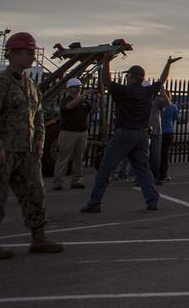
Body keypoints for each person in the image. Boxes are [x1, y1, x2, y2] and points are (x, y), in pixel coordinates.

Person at [82, 55, 179, 214]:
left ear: (131, 77)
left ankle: (95, 202)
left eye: (127, 75)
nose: (126, 77)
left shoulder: (124, 91)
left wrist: (106, 62)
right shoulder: (148, 92)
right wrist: (168, 64)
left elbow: (106, 82)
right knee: (143, 169)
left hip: (125, 133)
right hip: (142, 135)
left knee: (105, 168)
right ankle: (152, 199)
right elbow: (161, 81)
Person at [0, 32, 64, 257]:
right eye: (28, 52)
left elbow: (38, 117)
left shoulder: (31, 85)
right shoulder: (0, 83)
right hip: (4, 151)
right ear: (13, 54)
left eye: (33, 52)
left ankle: (39, 238)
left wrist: (40, 141)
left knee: (35, 192)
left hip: (27, 152)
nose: (33, 57)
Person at [53, 77, 91, 190]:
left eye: (79, 87)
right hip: (68, 133)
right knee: (64, 157)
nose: (78, 89)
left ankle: (77, 180)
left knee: (79, 157)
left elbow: (90, 111)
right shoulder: (66, 100)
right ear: (69, 89)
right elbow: (69, 107)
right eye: (75, 88)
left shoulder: (83, 101)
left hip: (82, 133)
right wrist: (82, 96)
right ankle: (58, 181)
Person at [157, 91, 179, 183]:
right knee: (165, 154)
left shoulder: (158, 106)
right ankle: (164, 173)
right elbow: (176, 118)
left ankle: (156, 171)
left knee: (156, 153)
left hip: (159, 131)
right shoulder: (173, 107)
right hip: (169, 131)